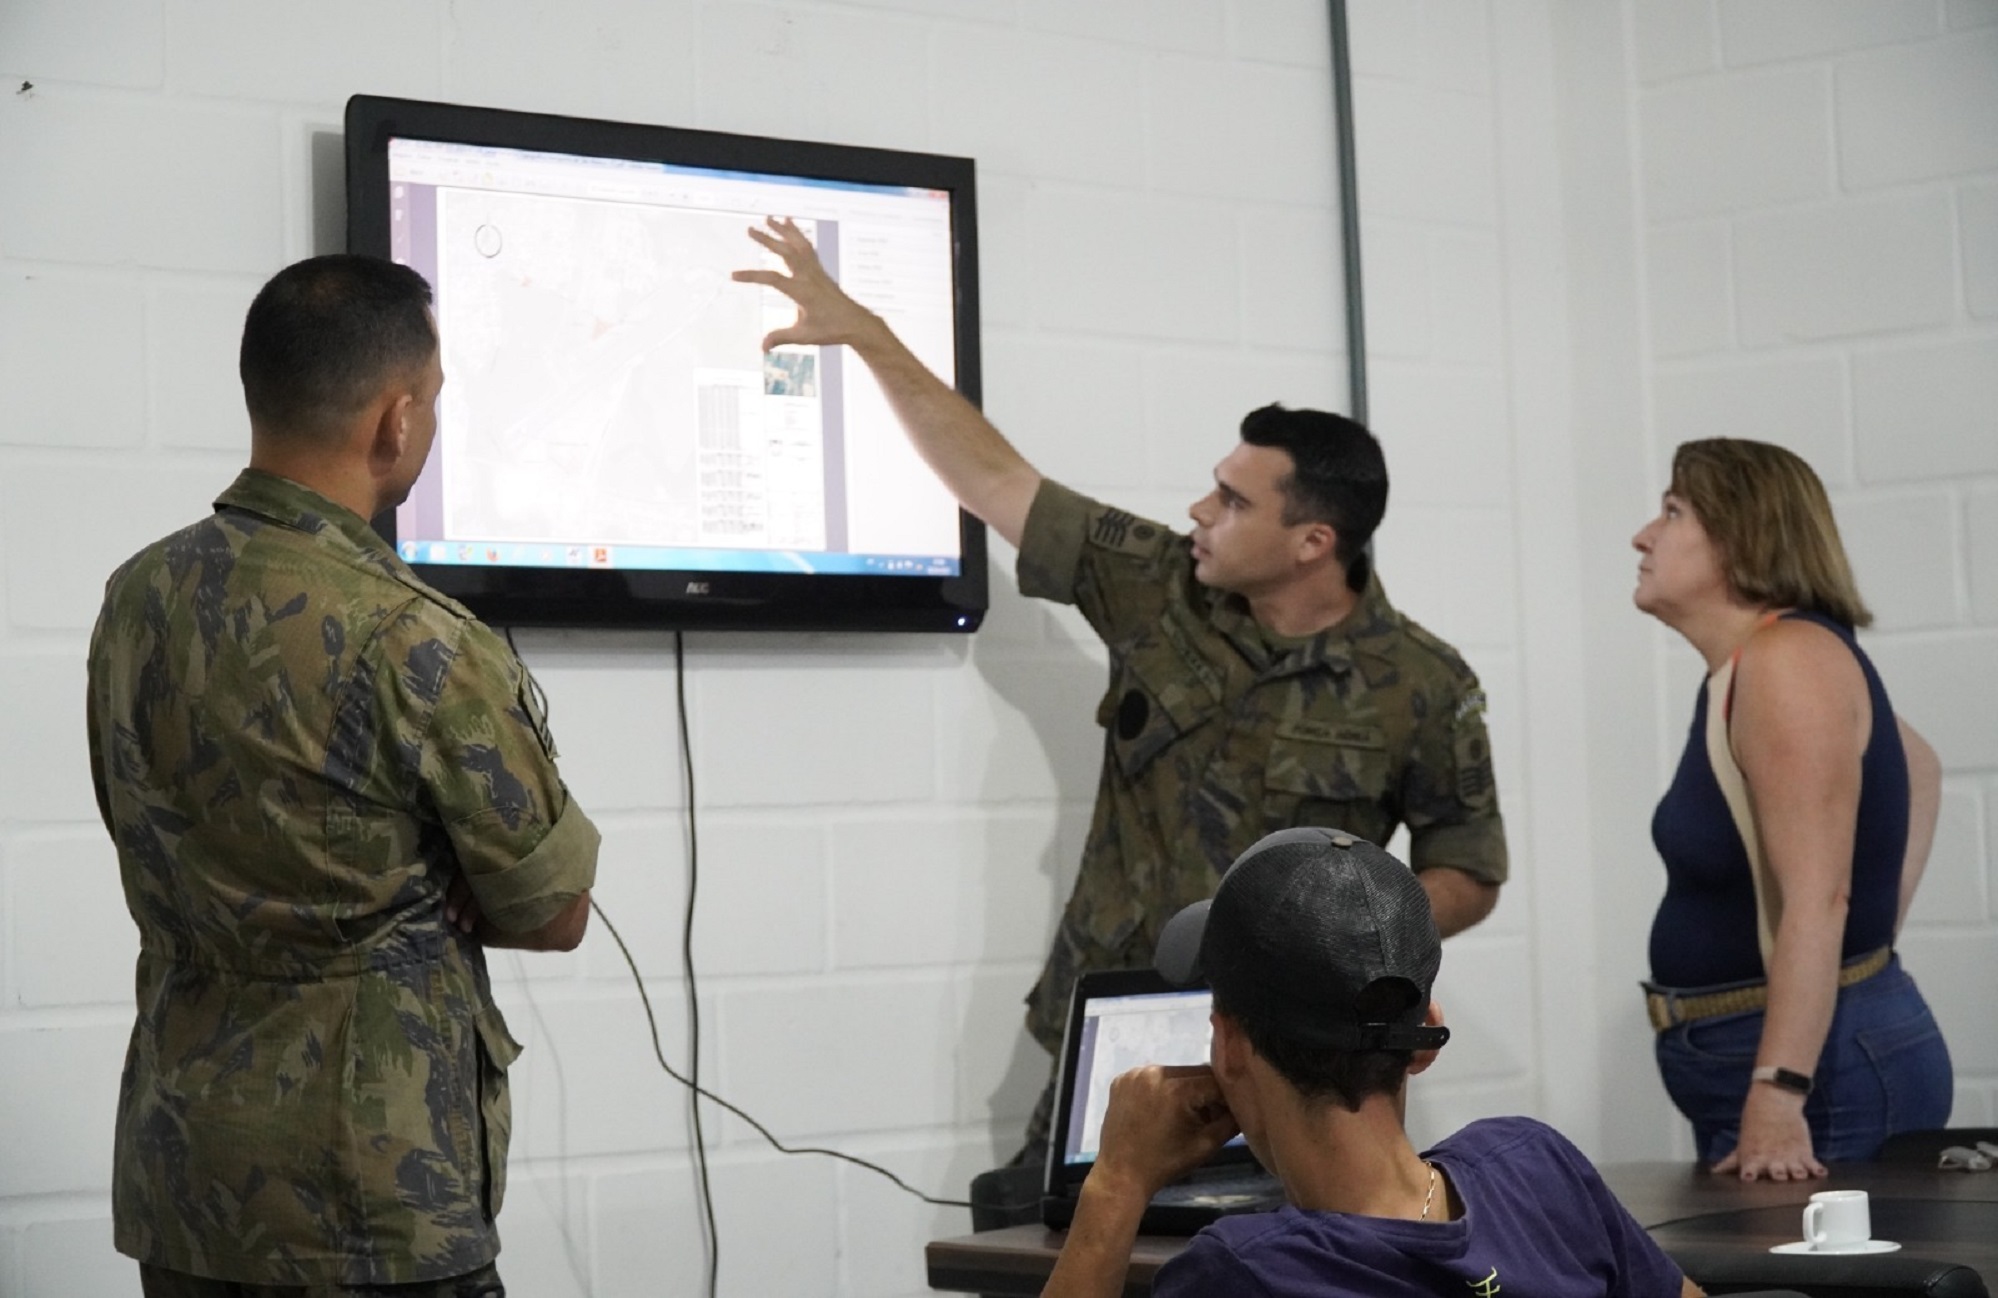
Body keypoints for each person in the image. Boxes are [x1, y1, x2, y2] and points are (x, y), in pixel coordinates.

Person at [735, 218, 1508, 1157]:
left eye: (1232, 500)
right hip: (1112, 1036)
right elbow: (992, 479)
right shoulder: (1158, 586)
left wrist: (1348, 943)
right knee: (1050, 1260)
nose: (1199, 511)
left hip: (1302, 1068)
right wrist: (866, 332)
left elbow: (1467, 871)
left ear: (1314, 543)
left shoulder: (1421, 682)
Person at [86, 255, 601, 1296]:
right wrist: (433, 893)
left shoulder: (137, 597)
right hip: (370, 1198)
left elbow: (147, 827)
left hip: (187, 1185)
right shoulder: (417, 637)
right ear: (396, 419)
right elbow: (554, 909)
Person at [1041, 826, 1700, 1298]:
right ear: (1422, 1040)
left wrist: (1117, 1183)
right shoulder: (1535, 1167)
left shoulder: (1245, 1273)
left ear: (1232, 1047)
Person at [1632, 437, 1950, 1181]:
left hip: (1817, 1079)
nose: (1643, 535)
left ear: (1741, 539)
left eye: (1673, 512)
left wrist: (1779, 1090)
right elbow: (1922, 768)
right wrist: (1858, 949)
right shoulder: (1757, 667)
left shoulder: (1786, 664)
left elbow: (1819, 895)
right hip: (1784, 1056)